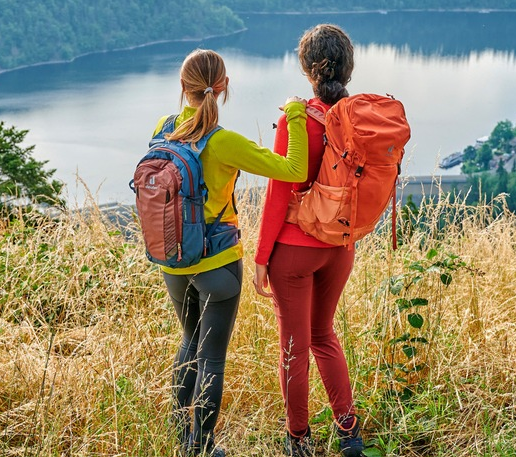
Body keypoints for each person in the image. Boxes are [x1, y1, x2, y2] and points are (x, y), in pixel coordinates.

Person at [155, 48, 309, 457]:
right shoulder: (224, 143)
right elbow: (294, 169)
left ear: (184, 88)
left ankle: (181, 437)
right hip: (219, 267)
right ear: (222, 87)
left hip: (173, 260)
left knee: (188, 341)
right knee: (212, 359)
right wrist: (295, 113)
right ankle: (202, 447)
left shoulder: (164, 128)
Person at [253, 24, 364, 457]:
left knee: (294, 347)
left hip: (295, 253)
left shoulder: (296, 118)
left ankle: (298, 437)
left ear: (306, 69)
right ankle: (349, 429)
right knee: (324, 335)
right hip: (340, 247)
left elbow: (282, 189)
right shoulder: (359, 118)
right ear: (348, 67)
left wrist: (263, 255)